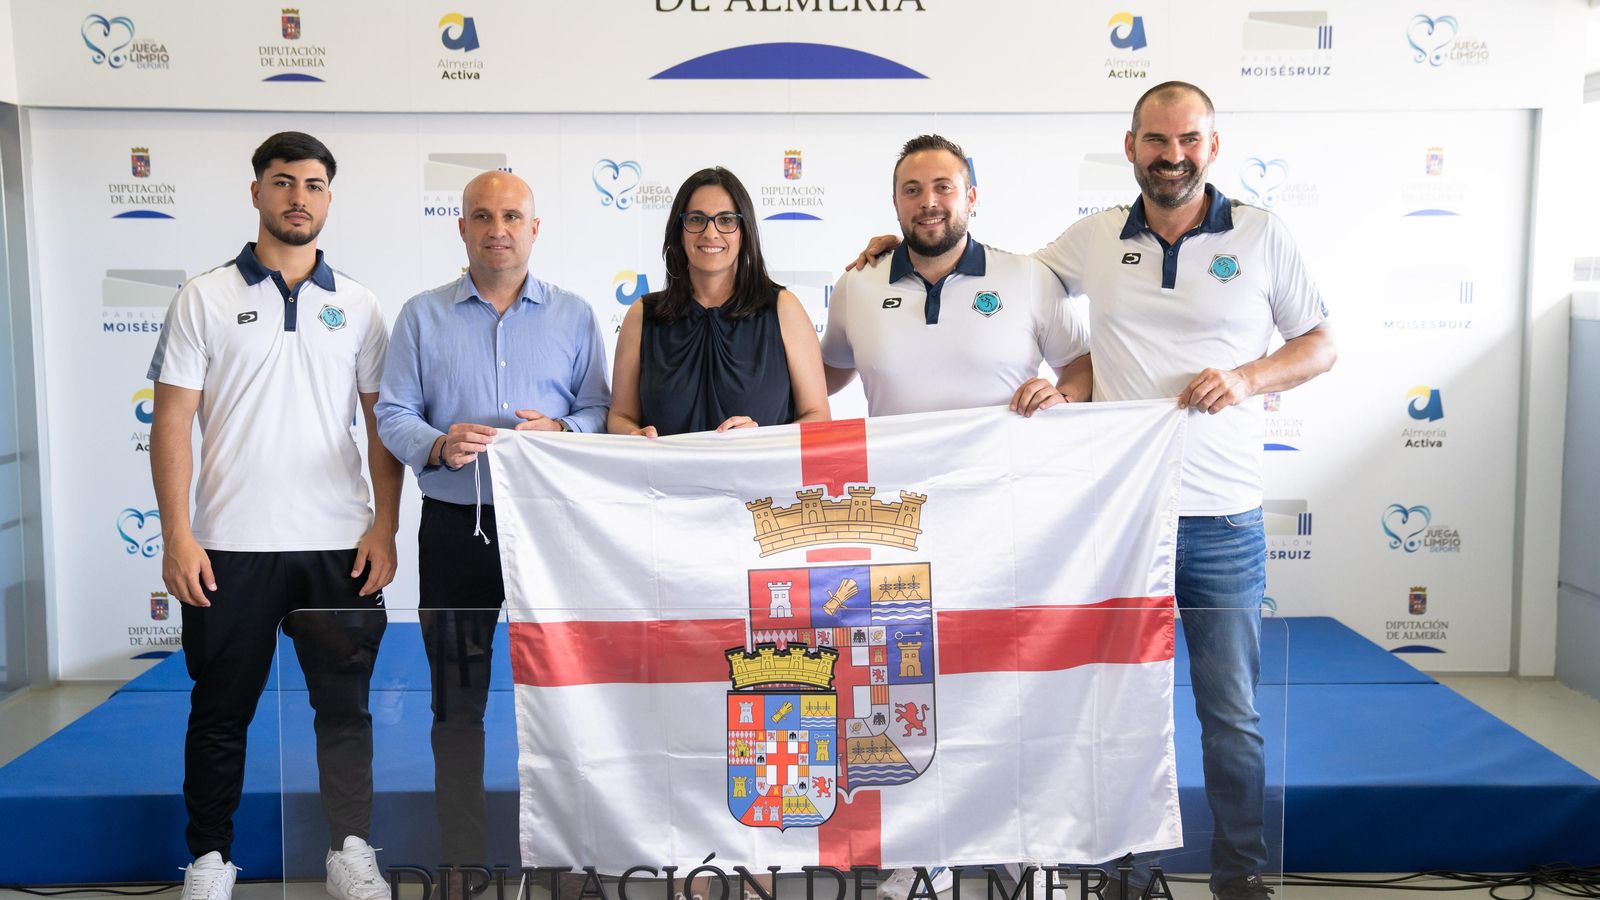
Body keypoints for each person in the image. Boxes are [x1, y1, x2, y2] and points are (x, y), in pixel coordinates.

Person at [851, 85, 1337, 900]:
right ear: (1130, 145)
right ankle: (1124, 870)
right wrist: (902, 247)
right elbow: (992, 272)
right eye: (1156, 138)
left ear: (1212, 147)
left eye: (1187, 139)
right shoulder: (1095, 238)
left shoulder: (1261, 235)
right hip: (1117, 517)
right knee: (1114, 710)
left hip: (1222, 518)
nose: (1171, 154)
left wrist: (1248, 377)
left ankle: (1241, 874)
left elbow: (1321, 344)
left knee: (1232, 716)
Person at [824, 133, 1091, 900]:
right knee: (896, 690)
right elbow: (830, 372)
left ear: (972, 195)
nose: (929, 201)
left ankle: (1017, 841)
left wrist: (1065, 395)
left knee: (1007, 682)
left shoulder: (1026, 278)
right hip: (893, 524)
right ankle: (917, 850)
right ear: (895, 202)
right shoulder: (859, 284)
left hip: (1004, 520)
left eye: (944, 186)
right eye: (912, 189)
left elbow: (1081, 366)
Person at [148, 131, 402, 900]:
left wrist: (384, 527)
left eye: (314, 185)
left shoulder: (358, 306)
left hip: (337, 546)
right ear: (256, 191)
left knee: (344, 713)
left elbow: (383, 429)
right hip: (229, 546)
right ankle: (210, 859)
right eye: (285, 182)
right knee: (220, 713)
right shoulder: (203, 297)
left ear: (330, 199)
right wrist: (179, 534)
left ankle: (350, 850)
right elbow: (170, 424)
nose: (299, 197)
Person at [375, 170, 609, 887]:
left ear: (535, 229)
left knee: (570, 698)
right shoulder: (420, 316)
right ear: (462, 228)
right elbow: (391, 415)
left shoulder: (575, 315)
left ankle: (569, 859)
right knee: (457, 701)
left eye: (512, 215)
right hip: (455, 527)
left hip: (550, 530)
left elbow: (602, 412)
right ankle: (463, 862)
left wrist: (562, 428)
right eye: (482, 215)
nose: (497, 228)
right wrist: (440, 443)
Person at [609, 166, 828, 437]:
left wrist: (764, 438)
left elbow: (819, 417)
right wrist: (632, 435)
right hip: (666, 479)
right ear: (679, 230)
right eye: (696, 219)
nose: (710, 233)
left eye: (725, 220)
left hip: (759, 479)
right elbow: (620, 416)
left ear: (744, 231)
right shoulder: (642, 315)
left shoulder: (783, 309)